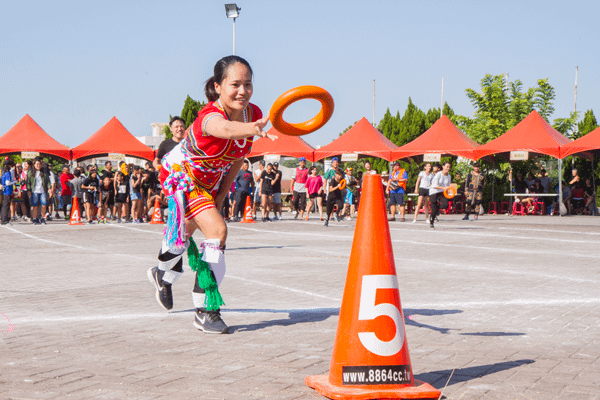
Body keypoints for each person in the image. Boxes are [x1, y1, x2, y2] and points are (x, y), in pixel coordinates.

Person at [147, 55, 271, 334]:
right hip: (185, 180)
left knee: (182, 238)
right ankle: (206, 310)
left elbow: (239, 158)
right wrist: (252, 129)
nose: (243, 91)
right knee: (217, 232)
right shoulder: (209, 117)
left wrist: (221, 195)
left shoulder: (252, 113)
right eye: (235, 84)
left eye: (248, 84)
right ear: (218, 86)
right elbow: (225, 130)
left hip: (211, 183)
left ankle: (161, 274)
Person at [27, 158, 51, 225]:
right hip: (34, 191)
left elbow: (48, 181)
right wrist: (28, 190)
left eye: (40, 164)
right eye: (37, 164)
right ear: (34, 164)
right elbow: (28, 182)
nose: (38, 165)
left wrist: (49, 188)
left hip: (43, 191)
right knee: (35, 205)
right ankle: (34, 219)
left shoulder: (44, 172)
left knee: (44, 205)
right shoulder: (30, 172)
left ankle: (42, 218)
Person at [429, 162, 452, 229]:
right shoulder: (439, 174)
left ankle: (438, 210)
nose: (448, 168)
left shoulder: (449, 176)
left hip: (442, 192)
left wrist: (448, 192)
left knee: (445, 205)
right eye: (447, 166)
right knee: (434, 207)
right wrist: (443, 188)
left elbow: (447, 186)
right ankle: (431, 222)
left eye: (449, 167)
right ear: (443, 166)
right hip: (434, 191)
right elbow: (434, 186)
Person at [1, 160, 16, 225]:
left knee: (4, 205)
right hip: (7, 191)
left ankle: (3, 219)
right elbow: (8, 183)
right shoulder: (7, 173)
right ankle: (4, 220)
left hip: (4, 191)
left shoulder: (3, 172)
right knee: (6, 206)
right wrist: (15, 182)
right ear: (9, 166)